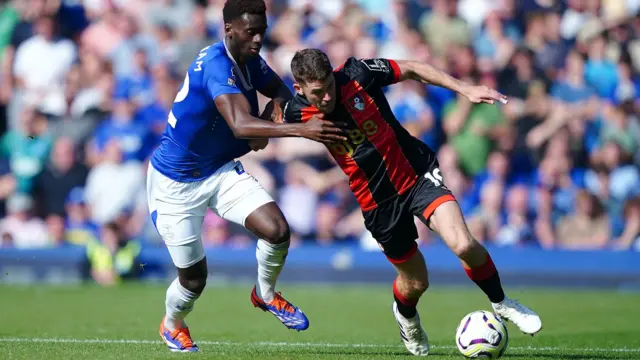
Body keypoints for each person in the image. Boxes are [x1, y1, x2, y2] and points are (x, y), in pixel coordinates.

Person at [273, 49, 542, 356]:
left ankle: (502, 302)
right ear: (300, 89)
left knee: (463, 243)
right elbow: (266, 121)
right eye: (317, 93)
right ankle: (406, 316)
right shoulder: (296, 113)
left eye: (329, 88)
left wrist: (464, 89)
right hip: (377, 202)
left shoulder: (357, 75)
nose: (326, 97)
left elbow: (413, 68)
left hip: (417, 173)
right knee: (415, 282)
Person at [147, 1, 346, 353]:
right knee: (194, 280)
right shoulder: (215, 65)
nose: (257, 39)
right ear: (229, 30)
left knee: (278, 230)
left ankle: (265, 294)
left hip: (219, 170)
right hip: (175, 183)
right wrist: (296, 131)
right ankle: (172, 324)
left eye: (262, 32)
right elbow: (241, 126)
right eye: (250, 32)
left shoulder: (250, 60)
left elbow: (283, 93)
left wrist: (273, 115)